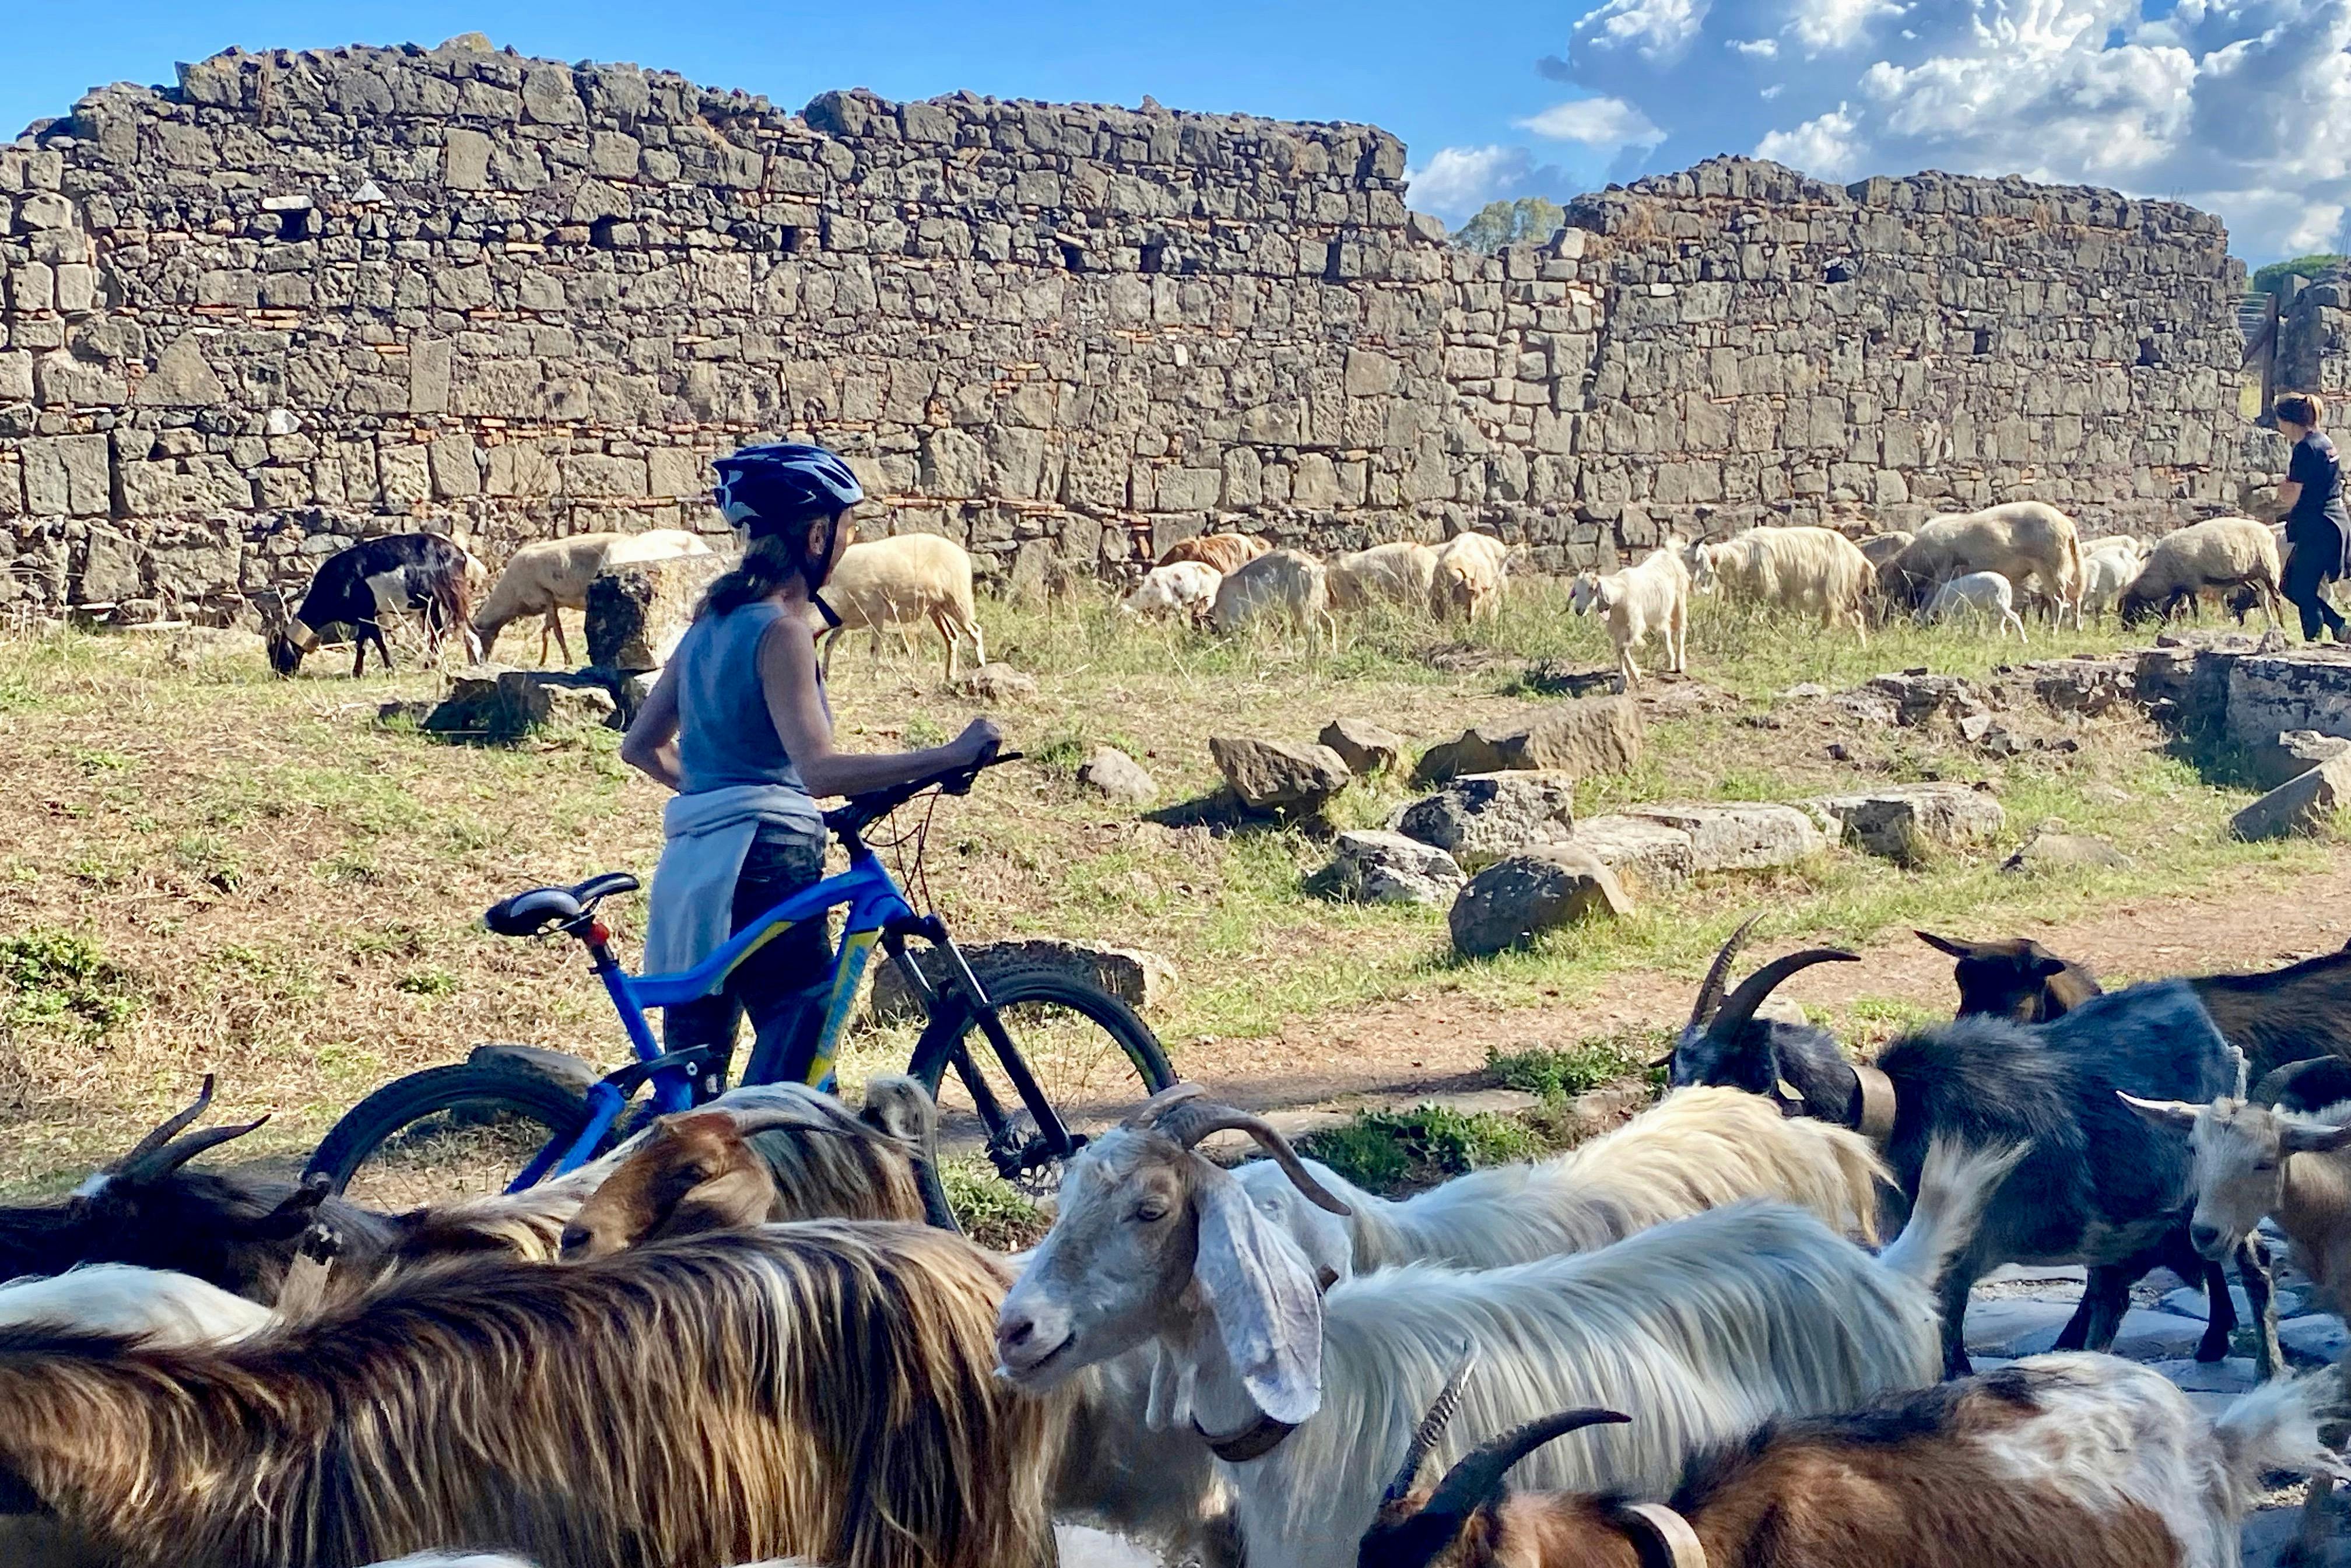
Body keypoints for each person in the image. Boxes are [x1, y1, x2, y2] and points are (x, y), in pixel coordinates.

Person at [620, 442, 999, 1092]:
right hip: (767, 860)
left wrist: (721, 791)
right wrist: (951, 753)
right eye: (847, 529)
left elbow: (641, 746)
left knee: (693, 1093)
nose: (848, 544)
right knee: (792, 1072)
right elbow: (819, 769)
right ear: (816, 534)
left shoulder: (709, 625)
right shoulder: (784, 632)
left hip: (691, 867)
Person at [2275, 391, 2350, 644]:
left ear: (2288, 421)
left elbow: (2292, 496)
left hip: (2318, 525)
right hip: (2332, 521)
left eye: (2279, 421)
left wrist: (2282, 490)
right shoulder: (2325, 441)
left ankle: (2327, 633)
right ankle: (2332, 630)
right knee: (2298, 586)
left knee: (2297, 587)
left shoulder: (2305, 449)